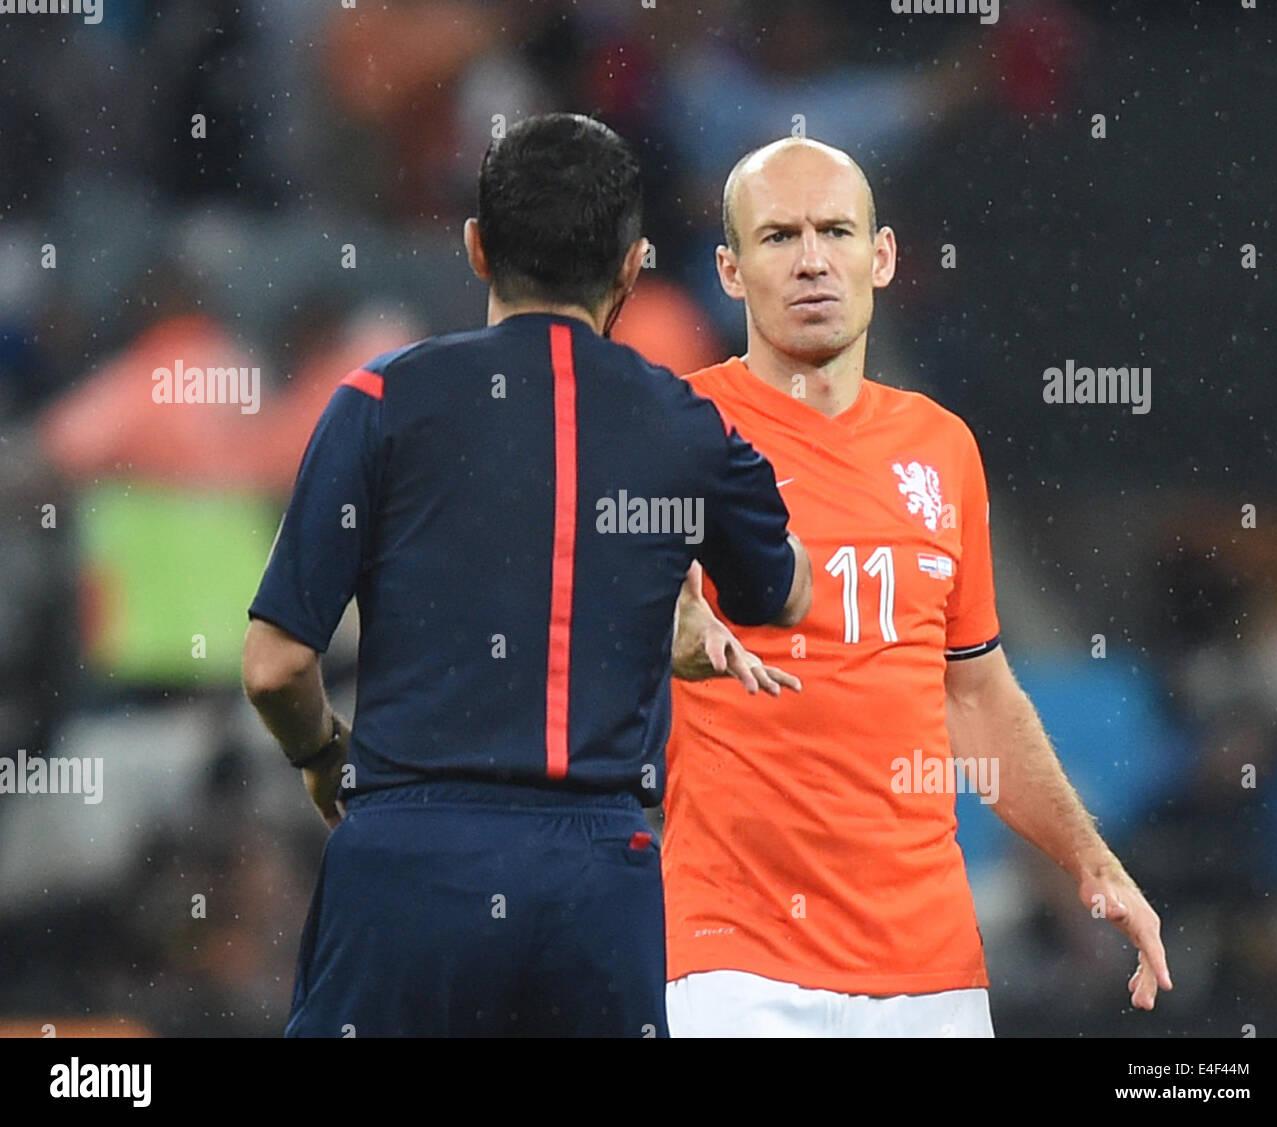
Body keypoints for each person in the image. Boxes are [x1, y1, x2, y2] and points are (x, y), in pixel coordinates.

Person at [240, 113, 811, 1037]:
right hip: (598, 878)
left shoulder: (377, 401)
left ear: (474, 247)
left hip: (404, 861)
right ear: (633, 265)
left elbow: (273, 666)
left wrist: (320, 758)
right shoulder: (686, 425)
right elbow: (782, 593)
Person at [664, 137, 1172, 1036]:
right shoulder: (677, 434)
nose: (813, 259)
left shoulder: (942, 448)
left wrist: (1091, 862)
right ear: (731, 271)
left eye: (835, 230)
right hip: (735, 955)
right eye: (779, 236)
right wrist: (663, 632)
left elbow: (975, 691)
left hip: (929, 964)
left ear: (883, 255)